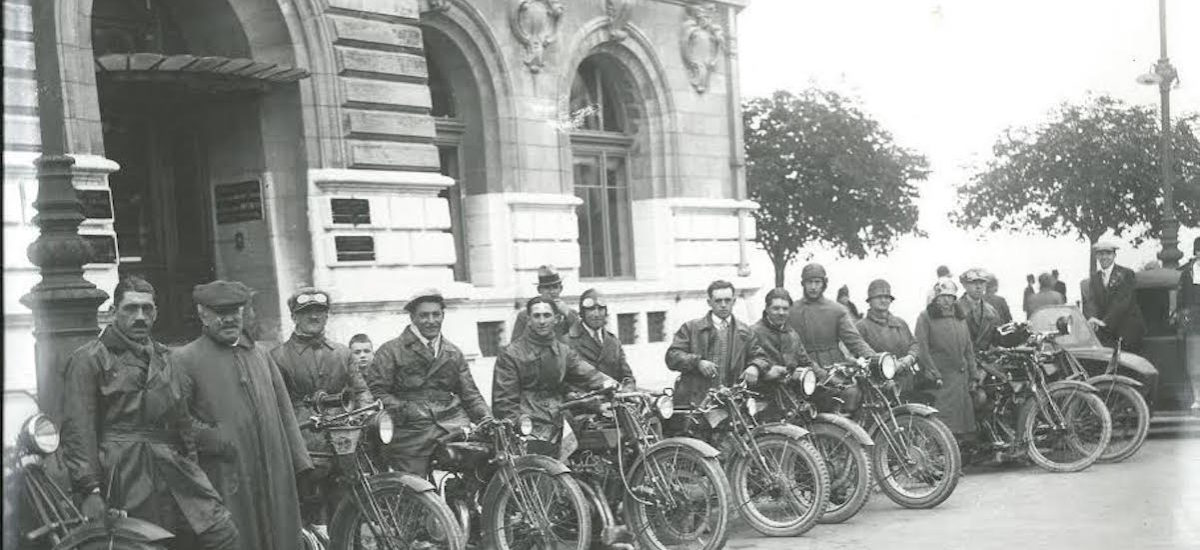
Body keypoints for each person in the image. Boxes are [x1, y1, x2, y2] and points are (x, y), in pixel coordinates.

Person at [60, 277, 239, 549]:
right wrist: (90, 489)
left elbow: (182, 423)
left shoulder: (166, 357)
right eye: (130, 309)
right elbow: (78, 428)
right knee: (142, 544)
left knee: (222, 535)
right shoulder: (90, 358)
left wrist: (193, 467)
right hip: (122, 473)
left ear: (156, 313)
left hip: (174, 468)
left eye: (147, 309)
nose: (140, 317)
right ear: (112, 312)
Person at [175, 280, 312, 550]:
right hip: (226, 475)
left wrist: (300, 463)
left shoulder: (260, 355)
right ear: (203, 313)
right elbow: (175, 421)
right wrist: (216, 439)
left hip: (274, 472)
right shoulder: (184, 359)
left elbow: (285, 411)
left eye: (234, 312)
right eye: (219, 313)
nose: (228, 319)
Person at [269, 287, 372, 533]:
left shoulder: (343, 353)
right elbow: (275, 406)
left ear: (327, 315)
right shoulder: (278, 357)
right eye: (306, 312)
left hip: (343, 441)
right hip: (305, 443)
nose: (314, 317)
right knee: (311, 510)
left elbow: (361, 391)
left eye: (320, 311)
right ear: (294, 316)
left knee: (347, 506)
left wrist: (367, 412)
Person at [365, 289, 491, 476]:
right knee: (414, 486)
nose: (431, 321)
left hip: (453, 424)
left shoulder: (452, 352)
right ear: (412, 318)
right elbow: (376, 392)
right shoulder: (391, 351)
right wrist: (406, 409)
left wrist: (487, 419)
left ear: (443, 316)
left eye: (436, 315)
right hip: (411, 430)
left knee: (486, 460)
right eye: (424, 316)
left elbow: (470, 394)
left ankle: (467, 501)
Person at [493, 296, 616, 451]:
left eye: (547, 315)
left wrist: (612, 385)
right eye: (537, 316)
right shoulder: (511, 354)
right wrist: (520, 429)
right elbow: (504, 403)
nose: (542, 321)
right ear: (529, 320)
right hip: (528, 426)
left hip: (559, 421)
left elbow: (587, 373)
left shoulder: (563, 351)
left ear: (556, 319)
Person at [666, 280, 770, 408]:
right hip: (696, 402)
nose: (723, 305)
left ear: (734, 301)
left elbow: (761, 357)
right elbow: (672, 356)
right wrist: (697, 362)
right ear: (709, 302)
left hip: (732, 401)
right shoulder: (691, 328)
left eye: (727, 300)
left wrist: (755, 367)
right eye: (718, 301)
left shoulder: (745, 332)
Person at [915, 278, 981, 439]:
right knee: (942, 422)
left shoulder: (960, 318)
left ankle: (962, 451)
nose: (947, 300)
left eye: (950, 296)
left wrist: (974, 374)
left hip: (961, 379)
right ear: (936, 297)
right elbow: (921, 349)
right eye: (942, 296)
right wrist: (933, 372)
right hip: (941, 381)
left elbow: (968, 349)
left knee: (963, 422)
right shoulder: (925, 317)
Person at [788, 263, 875, 368]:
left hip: (833, 366)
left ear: (824, 284)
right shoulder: (791, 310)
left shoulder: (837, 310)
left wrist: (874, 358)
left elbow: (854, 341)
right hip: (802, 367)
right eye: (809, 282)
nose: (813, 287)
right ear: (803, 284)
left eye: (817, 282)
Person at [749, 288, 816, 418]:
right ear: (767, 309)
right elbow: (747, 365)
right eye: (776, 308)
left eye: (785, 309)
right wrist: (765, 372)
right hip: (764, 397)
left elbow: (806, 362)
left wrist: (827, 378)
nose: (781, 313)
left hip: (790, 394)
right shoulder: (753, 333)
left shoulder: (792, 334)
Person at [855, 279, 921, 396]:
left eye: (887, 297)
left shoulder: (900, 323)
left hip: (906, 385)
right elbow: (855, 357)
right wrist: (889, 365)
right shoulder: (861, 327)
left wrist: (909, 358)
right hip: (879, 390)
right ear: (870, 301)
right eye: (879, 297)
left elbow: (914, 344)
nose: (884, 300)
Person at [1083, 238, 1146, 351]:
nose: (1104, 257)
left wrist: (1104, 322)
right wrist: (1092, 319)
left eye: (1108, 253)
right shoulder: (1095, 278)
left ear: (1114, 255)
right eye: (1101, 254)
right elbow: (1092, 301)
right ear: (1097, 257)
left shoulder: (1126, 274)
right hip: (1107, 332)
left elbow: (1122, 302)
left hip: (1127, 329)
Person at [565, 289, 635, 384]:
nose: (596, 314)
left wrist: (628, 387)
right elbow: (564, 380)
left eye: (600, 309)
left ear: (606, 312)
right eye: (591, 309)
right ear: (582, 313)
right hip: (583, 397)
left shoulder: (613, 342)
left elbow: (627, 376)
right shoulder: (568, 341)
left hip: (613, 396)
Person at [511, 265, 580, 342]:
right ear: (539, 290)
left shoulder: (571, 313)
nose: (552, 292)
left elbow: (580, 340)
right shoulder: (525, 315)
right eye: (547, 288)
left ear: (561, 288)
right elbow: (515, 344)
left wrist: (568, 315)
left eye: (555, 287)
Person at [1177, 237, 1200, 411]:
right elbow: (1181, 302)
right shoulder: (1187, 274)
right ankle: (1197, 398)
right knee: (1194, 364)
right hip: (1194, 325)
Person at [959, 268, 1003, 351]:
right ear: (964, 285)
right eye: (973, 283)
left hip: (986, 361)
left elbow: (996, 341)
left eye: (982, 283)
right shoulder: (954, 309)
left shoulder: (992, 312)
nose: (978, 287)